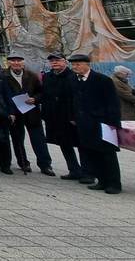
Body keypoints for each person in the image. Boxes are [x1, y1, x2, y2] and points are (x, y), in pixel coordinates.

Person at [69, 53, 122, 194]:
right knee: (92, 153)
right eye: (73, 65)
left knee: (107, 154)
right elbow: (73, 101)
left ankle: (114, 183)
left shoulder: (102, 80)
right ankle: (102, 180)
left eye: (78, 64)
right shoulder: (74, 80)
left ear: (87, 65)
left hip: (103, 123)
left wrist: (113, 124)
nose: (75, 67)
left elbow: (113, 103)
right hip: (84, 124)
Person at [1, 54, 54, 176]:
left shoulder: (31, 75)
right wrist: (9, 112)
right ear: (9, 63)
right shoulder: (3, 76)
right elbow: (3, 95)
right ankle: (23, 162)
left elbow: (40, 92)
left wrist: (35, 99)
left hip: (31, 112)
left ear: (23, 63)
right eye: (13, 61)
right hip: (15, 114)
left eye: (18, 61)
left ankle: (45, 165)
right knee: (18, 140)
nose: (16, 63)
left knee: (39, 140)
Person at [39, 52, 88, 182]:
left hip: (70, 117)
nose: (55, 63)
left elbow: (78, 98)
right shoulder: (48, 76)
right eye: (52, 61)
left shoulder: (73, 76)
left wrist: (75, 116)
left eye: (58, 60)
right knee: (64, 144)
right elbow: (45, 95)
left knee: (80, 145)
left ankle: (87, 172)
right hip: (54, 117)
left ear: (65, 61)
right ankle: (74, 170)